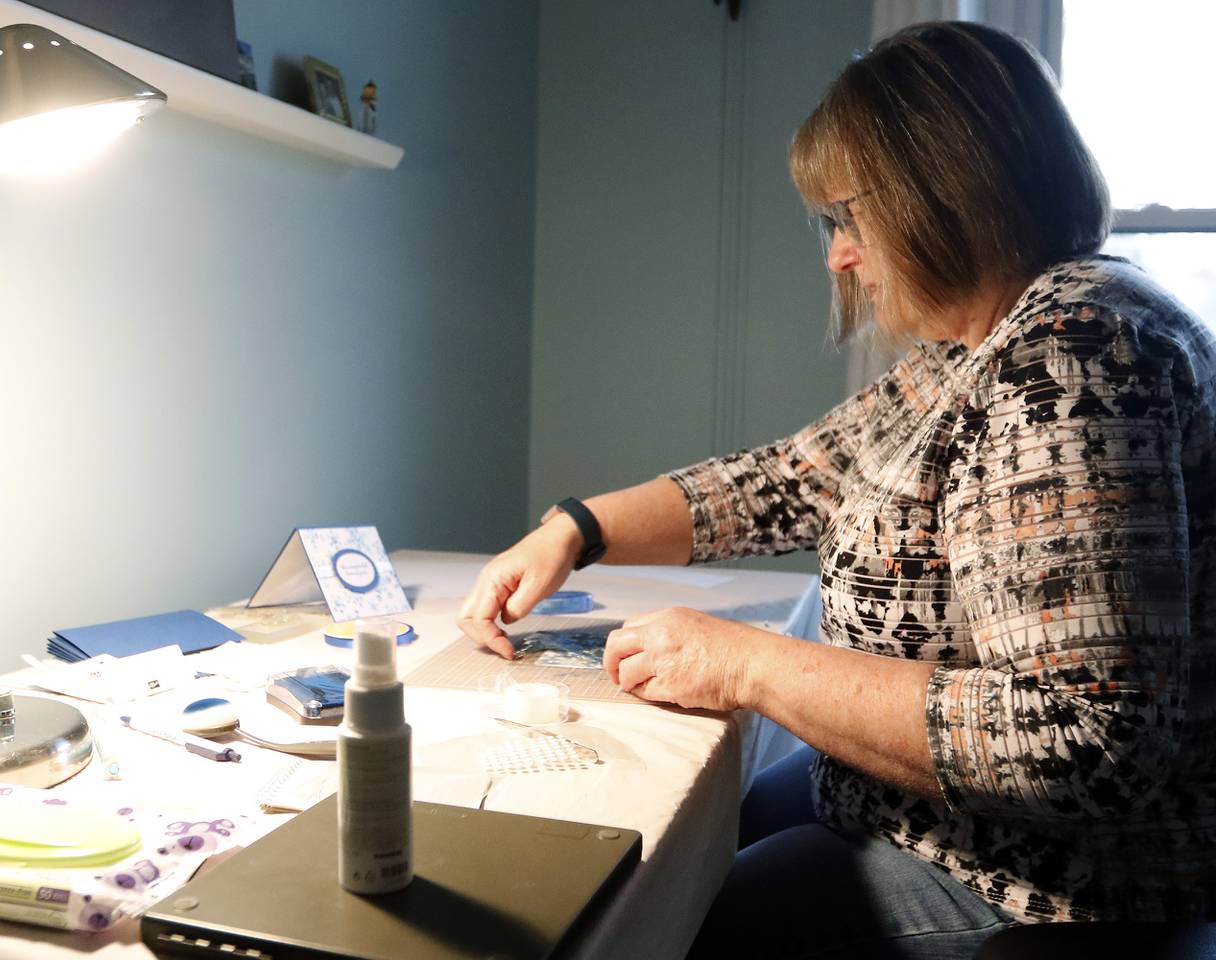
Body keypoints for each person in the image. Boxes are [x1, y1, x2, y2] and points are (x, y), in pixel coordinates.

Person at [456, 20, 1216, 958]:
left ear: (942, 195)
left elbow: (1085, 740)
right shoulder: (979, 343)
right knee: (691, 823)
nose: (838, 257)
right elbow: (787, 481)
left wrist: (747, 664)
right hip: (930, 814)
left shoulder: (1069, 361)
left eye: (847, 219)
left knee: (671, 913)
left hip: (1051, 881)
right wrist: (575, 528)